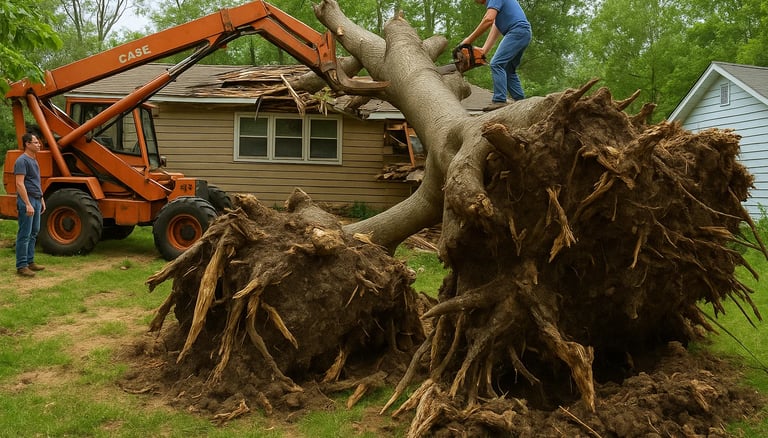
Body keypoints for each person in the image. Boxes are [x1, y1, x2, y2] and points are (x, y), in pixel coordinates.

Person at [462, 0, 531, 111]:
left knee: (496, 64)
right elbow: (496, 26)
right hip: (523, 33)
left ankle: (499, 100)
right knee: (509, 70)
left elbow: (488, 19)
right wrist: (484, 50)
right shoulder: (495, 6)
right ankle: (521, 103)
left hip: (517, 31)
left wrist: (468, 40)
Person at [14, 132, 46, 277]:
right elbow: (19, 184)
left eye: (38, 142)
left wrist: (41, 198)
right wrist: (27, 204)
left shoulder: (34, 160)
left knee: (34, 232)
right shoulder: (22, 161)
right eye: (35, 142)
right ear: (27, 144)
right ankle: (22, 265)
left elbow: (35, 182)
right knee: (24, 233)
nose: (39, 145)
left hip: (36, 199)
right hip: (27, 200)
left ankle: (30, 261)